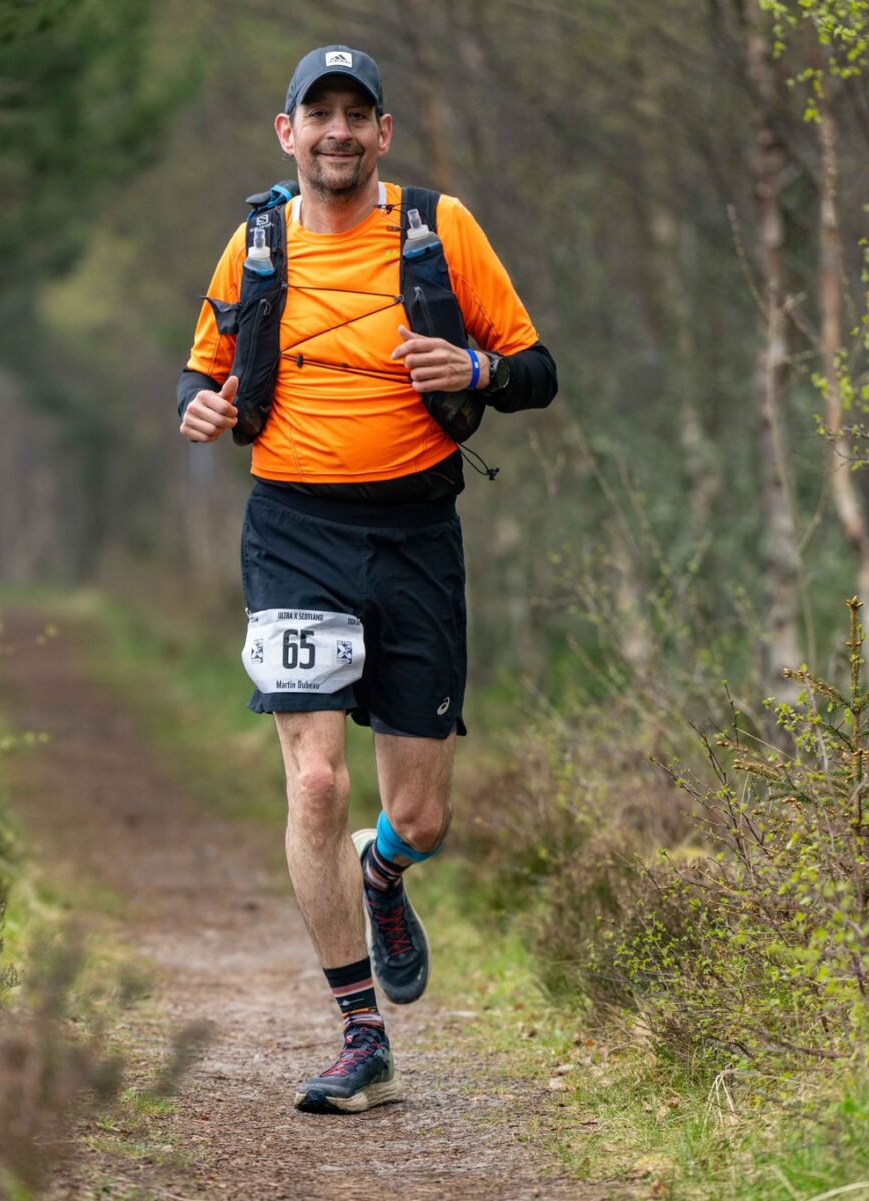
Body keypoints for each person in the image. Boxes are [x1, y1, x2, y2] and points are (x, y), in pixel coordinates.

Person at [175, 44, 556, 1114]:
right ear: (285, 131)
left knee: (420, 816)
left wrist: (476, 368)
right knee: (315, 783)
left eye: (357, 115)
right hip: (292, 529)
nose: (337, 132)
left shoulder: (442, 231)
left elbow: (536, 368)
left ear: (383, 134)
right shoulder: (255, 243)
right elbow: (200, 373)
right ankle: (361, 1035)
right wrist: (194, 409)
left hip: (417, 534)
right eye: (318, 114)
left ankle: (380, 873)